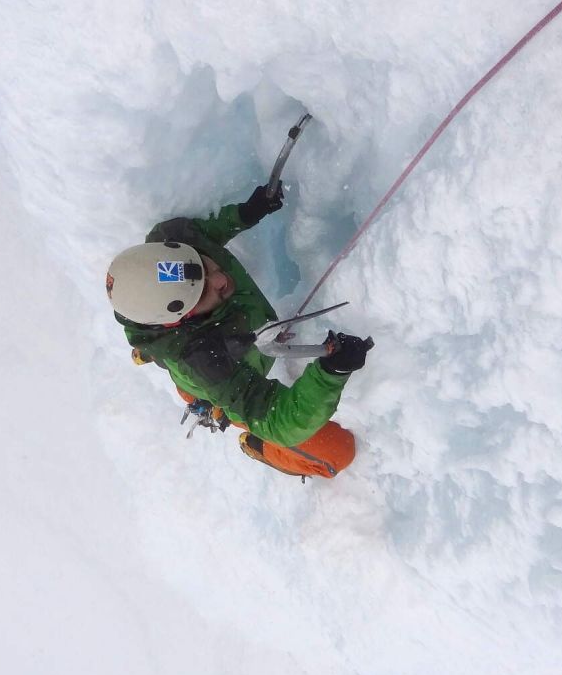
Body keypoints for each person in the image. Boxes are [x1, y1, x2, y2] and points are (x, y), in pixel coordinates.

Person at [106, 183, 372, 479]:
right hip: (216, 380)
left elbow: (205, 235)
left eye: (205, 265)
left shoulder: (174, 244)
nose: (220, 279)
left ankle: (153, 352)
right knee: (337, 453)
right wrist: (330, 373)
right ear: (179, 320)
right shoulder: (208, 362)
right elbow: (280, 422)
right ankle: (258, 447)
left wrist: (245, 213)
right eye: (204, 292)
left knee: (178, 357)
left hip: (193, 354)